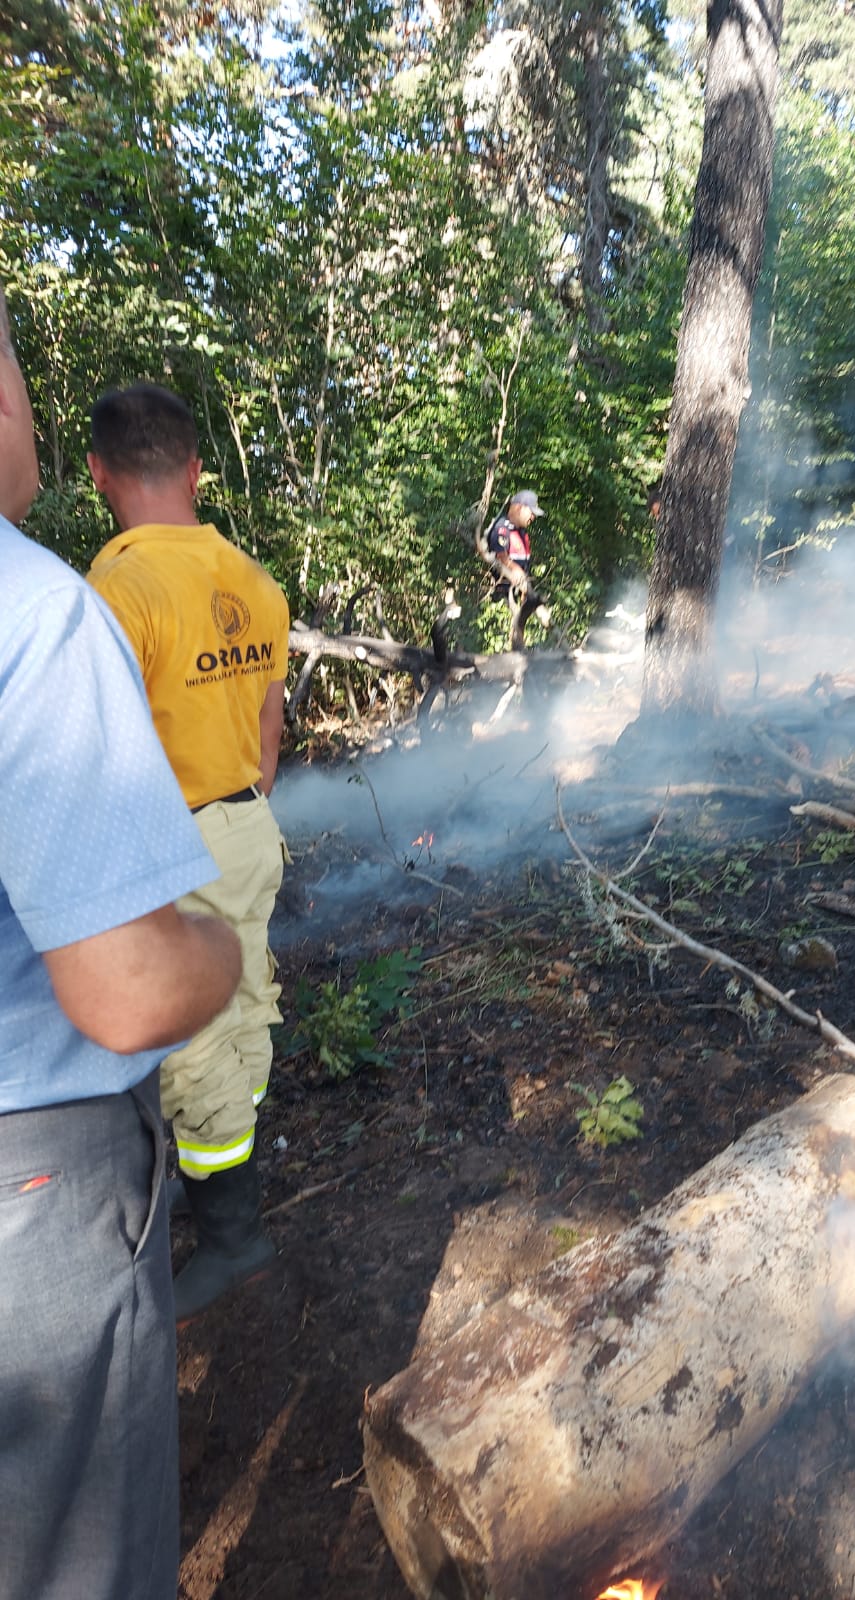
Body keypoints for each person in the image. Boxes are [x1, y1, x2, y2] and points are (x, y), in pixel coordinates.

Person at [0, 287, 243, 1600]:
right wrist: (217, 940)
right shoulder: (37, 607)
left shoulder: (104, 582)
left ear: (105, 470)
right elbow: (136, 982)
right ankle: (233, 1202)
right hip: (34, 1179)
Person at [86, 383, 291, 1324]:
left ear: (98, 474)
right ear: (198, 470)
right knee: (244, 1004)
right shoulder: (251, 579)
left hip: (174, 843)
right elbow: (269, 721)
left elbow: (102, 742)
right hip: (249, 822)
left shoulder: (118, 589)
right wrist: (246, 806)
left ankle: (234, 1237)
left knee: (193, 1046)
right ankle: (223, 1175)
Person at [485, 486, 544, 601]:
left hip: (519, 592)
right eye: (531, 512)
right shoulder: (502, 528)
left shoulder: (521, 532)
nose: (533, 517)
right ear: (519, 508)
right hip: (504, 595)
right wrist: (516, 569)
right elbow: (501, 557)